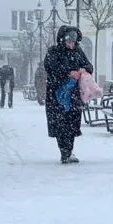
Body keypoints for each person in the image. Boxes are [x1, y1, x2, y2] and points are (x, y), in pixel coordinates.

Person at [44, 25, 92, 164]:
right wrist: (68, 73)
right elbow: (51, 67)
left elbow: (89, 66)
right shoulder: (54, 51)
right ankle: (64, 151)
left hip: (74, 95)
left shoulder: (78, 52)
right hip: (57, 95)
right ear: (62, 40)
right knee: (60, 124)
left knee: (72, 123)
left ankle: (69, 151)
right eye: (68, 41)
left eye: (73, 41)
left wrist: (83, 70)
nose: (71, 44)